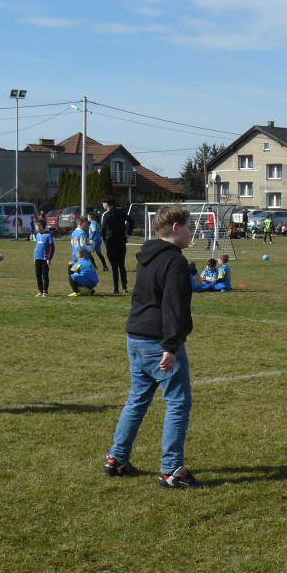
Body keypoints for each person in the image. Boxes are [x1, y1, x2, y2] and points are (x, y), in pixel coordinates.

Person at [104, 205, 203, 489]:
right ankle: (172, 469)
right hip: (158, 342)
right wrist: (170, 347)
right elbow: (174, 308)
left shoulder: (148, 256)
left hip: (135, 337)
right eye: (188, 227)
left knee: (137, 399)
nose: (190, 232)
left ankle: (117, 458)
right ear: (175, 228)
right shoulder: (175, 262)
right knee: (178, 402)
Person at [101, 196, 136, 295]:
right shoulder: (120, 212)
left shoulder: (107, 215)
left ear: (106, 204)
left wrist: (104, 239)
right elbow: (131, 221)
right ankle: (124, 287)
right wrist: (128, 233)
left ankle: (116, 288)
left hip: (111, 241)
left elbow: (103, 228)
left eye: (103, 203)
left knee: (114, 266)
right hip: (121, 240)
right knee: (122, 265)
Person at [33, 217, 54, 296]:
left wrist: (49, 258)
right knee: (38, 274)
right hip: (37, 257)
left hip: (45, 258)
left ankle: (45, 291)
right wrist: (34, 256)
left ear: (41, 226)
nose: (35, 228)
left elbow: (52, 247)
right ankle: (40, 290)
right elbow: (36, 246)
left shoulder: (48, 235)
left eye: (36, 226)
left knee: (45, 275)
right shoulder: (37, 235)